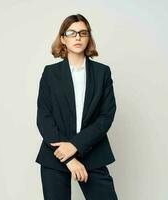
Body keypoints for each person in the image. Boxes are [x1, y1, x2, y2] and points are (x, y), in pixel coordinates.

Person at [35, 14, 118, 200]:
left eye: (83, 33)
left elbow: (106, 116)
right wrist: (69, 158)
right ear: (63, 38)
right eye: (71, 33)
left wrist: (75, 146)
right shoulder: (50, 74)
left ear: (88, 38)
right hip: (55, 155)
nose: (78, 37)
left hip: (92, 152)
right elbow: (44, 117)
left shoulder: (102, 72)